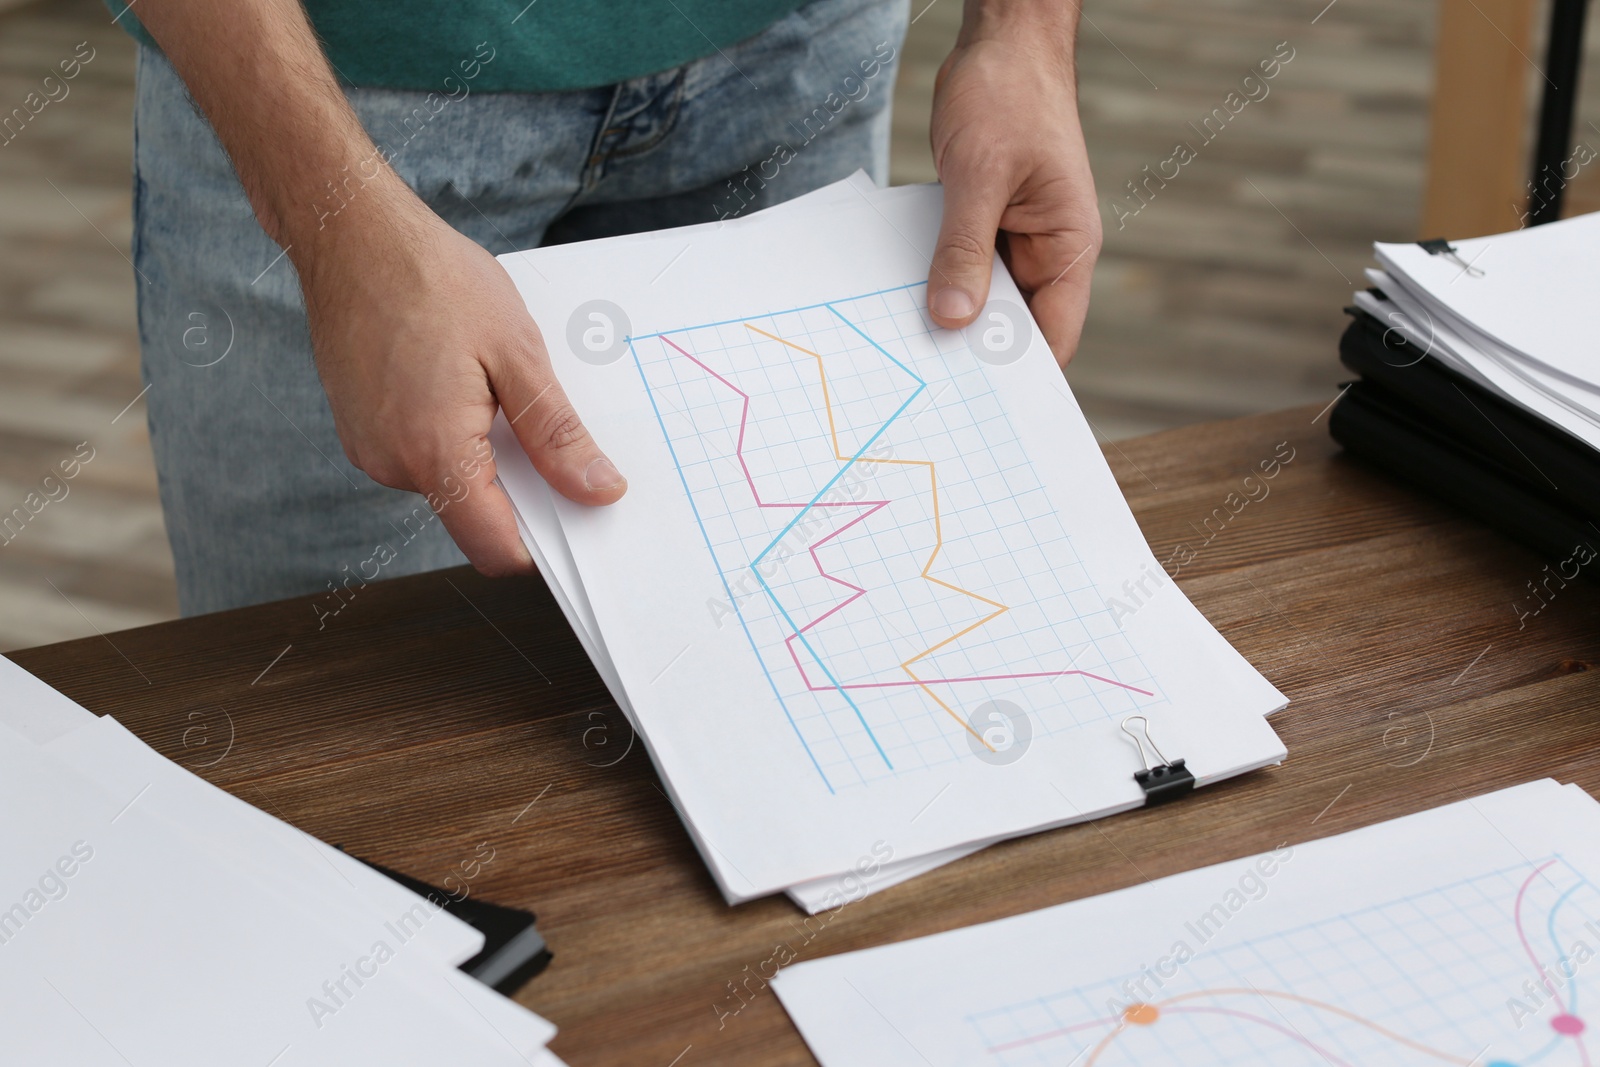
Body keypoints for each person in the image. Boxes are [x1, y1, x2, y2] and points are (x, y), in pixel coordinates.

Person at [120, 0, 1099, 616]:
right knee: (325, 724)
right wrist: (330, 220)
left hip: (801, 44)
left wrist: (1026, 33)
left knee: (797, 672)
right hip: (337, 86)